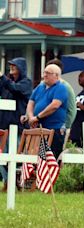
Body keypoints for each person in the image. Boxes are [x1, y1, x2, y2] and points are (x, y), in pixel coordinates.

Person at [0, 57, 32, 191]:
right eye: (10, 65)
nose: (11, 67)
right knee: (2, 156)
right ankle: (8, 181)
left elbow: (15, 89)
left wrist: (2, 77)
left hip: (17, 128)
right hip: (4, 127)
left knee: (13, 156)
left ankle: (14, 182)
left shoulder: (26, 83)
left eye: (14, 65)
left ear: (21, 67)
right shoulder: (7, 82)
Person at [25, 64, 68, 159]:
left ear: (56, 75)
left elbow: (55, 105)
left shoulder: (61, 88)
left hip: (54, 129)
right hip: (38, 129)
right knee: (36, 158)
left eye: (48, 73)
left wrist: (37, 117)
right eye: (44, 72)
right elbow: (30, 103)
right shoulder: (40, 87)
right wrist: (31, 117)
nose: (44, 75)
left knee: (51, 158)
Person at [45, 59, 77, 137]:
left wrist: (66, 126)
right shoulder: (46, 87)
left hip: (59, 127)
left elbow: (71, 109)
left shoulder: (65, 87)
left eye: (48, 73)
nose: (45, 75)